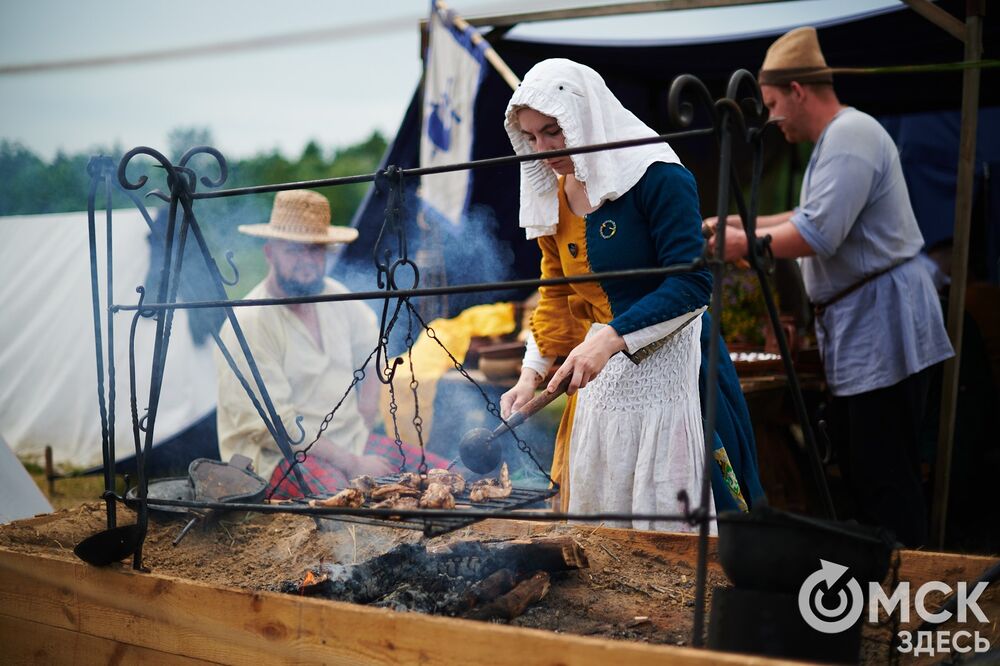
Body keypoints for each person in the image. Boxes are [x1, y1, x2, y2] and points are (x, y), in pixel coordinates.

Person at [706, 27, 954, 547]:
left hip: (885, 324)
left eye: (773, 104)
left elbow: (816, 233)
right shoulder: (833, 142)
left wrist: (738, 245)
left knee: (886, 474)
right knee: (863, 467)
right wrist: (735, 224)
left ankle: (910, 591)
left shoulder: (851, 136)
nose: (771, 119)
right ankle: (881, 583)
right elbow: (804, 215)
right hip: (864, 323)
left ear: (798, 90)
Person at [500, 58, 764, 532]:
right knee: (611, 526)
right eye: (532, 137)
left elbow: (692, 284)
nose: (543, 150)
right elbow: (556, 293)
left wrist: (612, 336)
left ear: (583, 114)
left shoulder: (658, 176)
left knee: (680, 523)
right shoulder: (557, 193)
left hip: (678, 367)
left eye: (553, 130)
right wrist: (530, 374)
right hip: (603, 381)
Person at [215, 189, 444, 498]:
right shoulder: (250, 322)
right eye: (294, 250)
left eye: (316, 250)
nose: (307, 262)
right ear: (270, 252)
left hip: (351, 443)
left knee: (443, 477)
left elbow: (373, 352)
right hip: (276, 459)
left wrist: (363, 421)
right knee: (360, 507)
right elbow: (277, 428)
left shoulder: (336, 296)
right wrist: (352, 462)